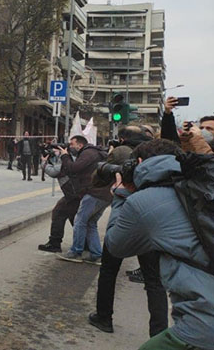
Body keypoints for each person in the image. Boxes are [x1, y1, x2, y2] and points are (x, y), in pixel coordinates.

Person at [105, 139, 214, 350]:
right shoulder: (201, 186)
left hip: (203, 327)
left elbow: (115, 245)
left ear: (138, 162)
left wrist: (121, 194)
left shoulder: (144, 201)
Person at [88, 140, 168, 338]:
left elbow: (98, 180)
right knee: (154, 281)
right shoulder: (161, 169)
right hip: (150, 228)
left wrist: (118, 192)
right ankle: (159, 334)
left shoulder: (126, 158)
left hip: (126, 223)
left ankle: (104, 317)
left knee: (108, 270)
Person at [56, 135, 110, 264]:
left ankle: (75, 251)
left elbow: (73, 169)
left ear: (80, 145)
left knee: (79, 221)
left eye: (72, 144)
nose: (70, 147)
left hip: (94, 193)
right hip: (104, 194)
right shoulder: (95, 152)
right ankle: (96, 254)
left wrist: (65, 156)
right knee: (90, 222)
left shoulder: (88, 153)